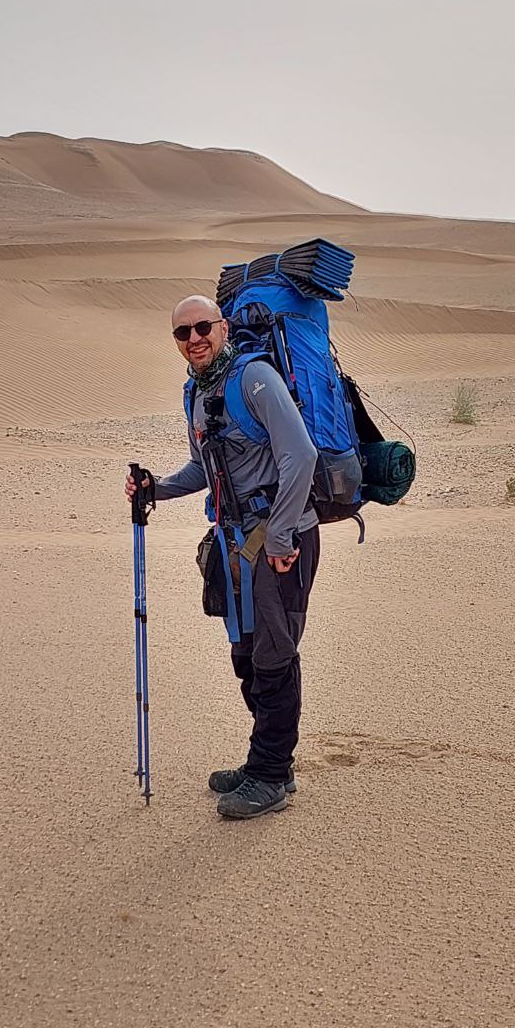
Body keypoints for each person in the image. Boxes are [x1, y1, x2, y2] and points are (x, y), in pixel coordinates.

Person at [125, 295, 320, 820]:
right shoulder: (197, 391)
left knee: (274, 657)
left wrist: (280, 538)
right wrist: (157, 488)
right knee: (246, 656)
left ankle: (270, 777)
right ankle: (268, 761)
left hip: (279, 541)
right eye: (182, 332)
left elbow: (301, 456)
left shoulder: (255, 379)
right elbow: (202, 468)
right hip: (236, 544)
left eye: (203, 327)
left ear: (223, 327)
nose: (195, 338)